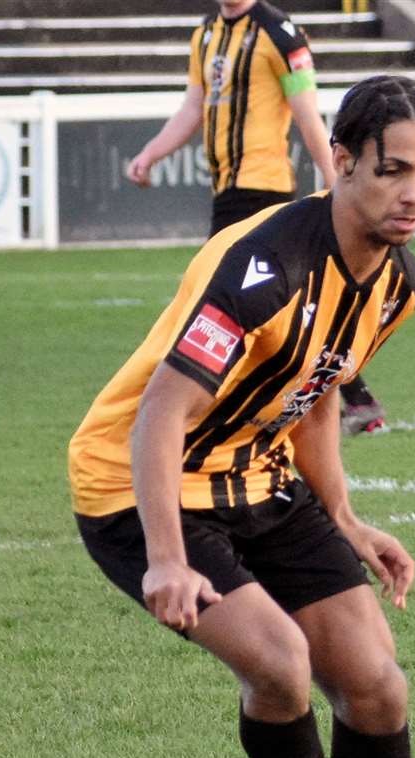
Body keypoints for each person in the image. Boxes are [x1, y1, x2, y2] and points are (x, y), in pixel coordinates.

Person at [71, 75, 415, 758]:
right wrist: (168, 562)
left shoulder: (395, 284)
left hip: (258, 478)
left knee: (377, 688)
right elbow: (159, 417)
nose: (413, 194)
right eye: (392, 172)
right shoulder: (263, 267)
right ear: (340, 162)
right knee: (280, 663)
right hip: (138, 485)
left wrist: (345, 518)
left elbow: (318, 393)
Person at [124, 0, 388, 436]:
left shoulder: (279, 33)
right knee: (276, 303)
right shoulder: (206, 33)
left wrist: (334, 179)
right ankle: (352, 395)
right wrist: (152, 153)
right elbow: (193, 107)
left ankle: (209, 400)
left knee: (219, 298)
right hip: (227, 190)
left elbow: (306, 112)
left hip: (263, 188)